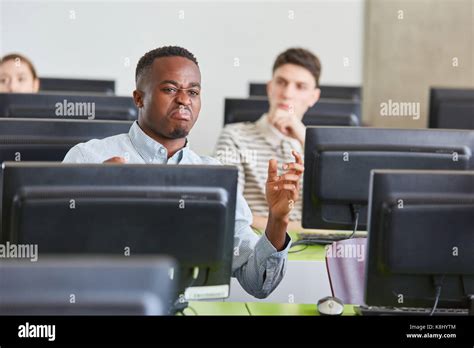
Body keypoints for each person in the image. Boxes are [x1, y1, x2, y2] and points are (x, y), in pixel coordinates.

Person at [63, 46, 303, 298]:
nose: (184, 99)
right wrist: (94, 208)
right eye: (170, 89)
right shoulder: (87, 158)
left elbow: (258, 284)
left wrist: (278, 221)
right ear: (138, 98)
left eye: (193, 92)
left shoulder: (216, 178)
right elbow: (52, 259)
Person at [214, 48, 321, 232]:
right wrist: (305, 228)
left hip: (313, 250)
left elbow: (340, 217)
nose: (287, 93)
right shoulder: (234, 136)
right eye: (281, 82)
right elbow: (227, 210)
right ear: (270, 87)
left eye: (300, 86)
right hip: (255, 245)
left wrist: (306, 140)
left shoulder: (316, 147)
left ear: (313, 97)